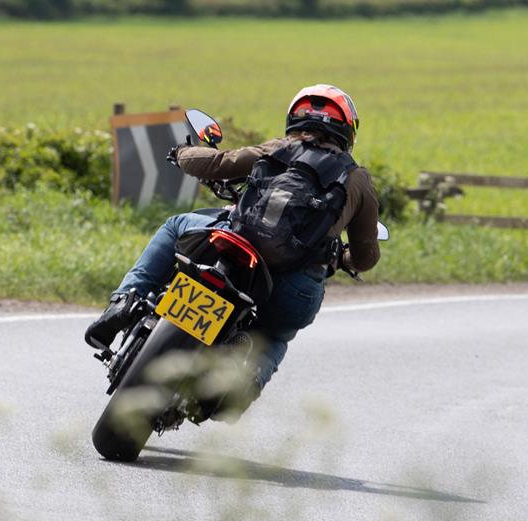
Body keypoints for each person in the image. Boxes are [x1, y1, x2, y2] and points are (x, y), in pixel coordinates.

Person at [85, 84, 380, 419]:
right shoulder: (357, 180)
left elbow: (218, 162)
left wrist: (182, 153)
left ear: (294, 118)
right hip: (294, 282)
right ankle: (241, 384)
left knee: (174, 225)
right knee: (273, 336)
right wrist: (344, 259)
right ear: (348, 129)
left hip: (235, 245)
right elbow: (367, 256)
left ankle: (125, 301)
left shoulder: (278, 149)